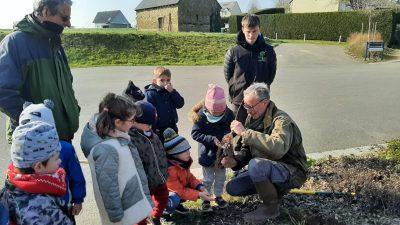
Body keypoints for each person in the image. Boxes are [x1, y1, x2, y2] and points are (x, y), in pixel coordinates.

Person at [221, 83, 308, 224]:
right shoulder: (252, 119)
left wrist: (244, 133)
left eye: (250, 106)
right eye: (245, 106)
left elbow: (278, 148)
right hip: (267, 167)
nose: (247, 111)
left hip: (292, 170)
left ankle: (270, 207)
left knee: (256, 165)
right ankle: (274, 192)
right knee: (233, 187)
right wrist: (234, 161)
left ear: (265, 102)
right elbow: (247, 150)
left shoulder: (281, 120)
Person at [0, 0, 79, 143]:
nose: (68, 24)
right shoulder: (15, 42)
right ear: (46, 12)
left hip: (63, 137)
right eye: (64, 18)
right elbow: (3, 92)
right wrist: (37, 123)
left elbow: (67, 84)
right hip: (34, 143)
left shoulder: (55, 43)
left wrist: (73, 111)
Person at [80, 93, 152, 225]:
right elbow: (108, 186)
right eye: (132, 120)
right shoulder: (106, 149)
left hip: (133, 205)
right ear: (117, 122)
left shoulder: (116, 134)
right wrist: (116, 215)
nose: (134, 123)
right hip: (126, 214)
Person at [18, 100, 86, 219]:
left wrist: (78, 199)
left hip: (62, 207)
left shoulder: (21, 155)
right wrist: (78, 199)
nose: (58, 161)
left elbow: (76, 176)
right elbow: (76, 176)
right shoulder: (63, 148)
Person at [5, 121, 73, 224]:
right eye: (56, 158)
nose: (60, 161)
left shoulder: (11, 188)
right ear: (39, 166)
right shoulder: (43, 210)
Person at [224, 14, 277, 124]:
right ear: (243, 29)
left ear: (259, 29)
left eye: (254, 31)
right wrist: (236, 87)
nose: (251, 35)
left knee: (258, 132)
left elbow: (271, 73)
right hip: (238, 100)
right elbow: (228, 75)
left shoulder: (268, 50)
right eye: (248, 31)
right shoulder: (233, 51)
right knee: (236, 130)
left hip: (259, 101)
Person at [188, 84, 234, 212]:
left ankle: (218, 196)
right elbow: (195, 134)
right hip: (206, 154)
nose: (216, 115)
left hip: (222, 155)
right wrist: (211, 139)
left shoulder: (229, 114)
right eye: (213, 113)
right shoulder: (201, 116)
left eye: (219, 113)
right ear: (207, 108)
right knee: (208, 179)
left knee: (221, 177)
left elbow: (232, 129)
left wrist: (228, 136)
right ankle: (206, 198)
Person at [128, 101, 169, 225]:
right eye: (146, 124)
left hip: (158, 178)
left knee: (163, 198)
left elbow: (161, 153)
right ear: (133, 121)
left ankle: (155, 217)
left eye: (151, 124)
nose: (149, 126)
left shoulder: (153, 136)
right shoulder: (130, 139)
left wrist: (164, 170)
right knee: (141, 211)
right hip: (143, 183)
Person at [163, 128, 213, 215]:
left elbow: (190, 178)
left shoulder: (183, 162)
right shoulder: (169, 170)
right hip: (166, 193)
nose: (189, 153)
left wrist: (200, 187)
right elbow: (179, 191)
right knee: (174, 197)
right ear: (174, 154)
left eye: (188, 150)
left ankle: (176, 205)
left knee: (191, 188)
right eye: (184, 151)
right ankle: (164, 211)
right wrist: (199, 194)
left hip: (177, 190)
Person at [144, 67, 184, 142]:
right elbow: (149, 114)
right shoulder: (151, 93)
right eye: (162, 80)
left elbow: (180, 104)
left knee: (174, 149)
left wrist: (172, 92)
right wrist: (154, 129)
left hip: (172, 127)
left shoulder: (170, 91)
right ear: (155, 81)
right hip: (159, 130)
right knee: (163, 151)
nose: (165, 83)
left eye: (168, 80)